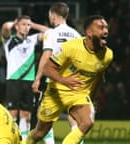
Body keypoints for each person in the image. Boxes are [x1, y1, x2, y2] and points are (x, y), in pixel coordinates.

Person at [26, 14, 114, 144]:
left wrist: (92, 97)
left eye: (106, 28)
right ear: (89, 32)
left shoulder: (107, 55)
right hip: (56, 92)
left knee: (87, 122)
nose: (106, 31)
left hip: (78, 93)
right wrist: (63, 80)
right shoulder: (71, 47)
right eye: (101, 27)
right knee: (39, 133)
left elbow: (99, 77)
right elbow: (47, 68)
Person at [31, 2, 81, 144]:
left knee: (44, 114)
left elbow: (47, 55)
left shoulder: (51, 33)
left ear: (53, 15)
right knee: (74, 116)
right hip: (72, 80)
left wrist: (37, 78)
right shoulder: (76, 34)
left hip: (54, 79)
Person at [1, 15, 48, 140]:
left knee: (26, 114)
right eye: (24, 24)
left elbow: (50, 33)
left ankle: (23, 141)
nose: (27, 27)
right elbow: (5, 27)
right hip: (13, 80)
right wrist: (15, 22)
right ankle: (10, 139)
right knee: (12, 114)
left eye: (28, 25)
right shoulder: (9, 41)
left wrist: (33, 25)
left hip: (29, 81)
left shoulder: (32, 40)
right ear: (17, 26)